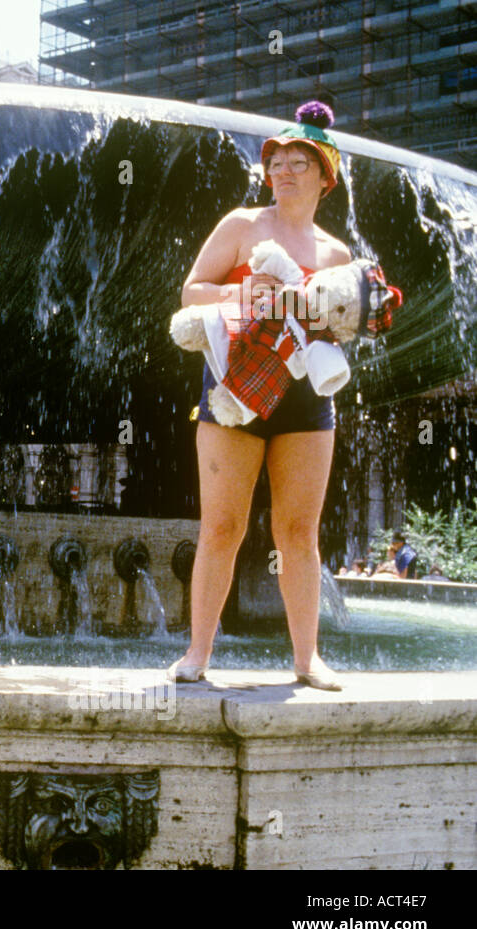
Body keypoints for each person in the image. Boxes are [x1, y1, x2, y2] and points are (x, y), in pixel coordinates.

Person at [169, 102, 350, 691]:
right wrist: (247, 297)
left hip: (305, 403)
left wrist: (327, 313)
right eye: (277, 162)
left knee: (299, 532)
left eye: (300, 163)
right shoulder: (243, 226)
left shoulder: (336, 254)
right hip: (233, 392)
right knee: (222, 525)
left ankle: (307, 659)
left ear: (326, 177)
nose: (284, 172)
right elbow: (191, 291)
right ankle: (197, 652)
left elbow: (345, 327)